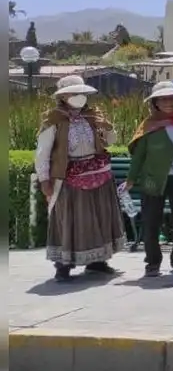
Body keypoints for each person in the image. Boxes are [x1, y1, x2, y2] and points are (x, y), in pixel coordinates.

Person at [36, 75, 125, 282]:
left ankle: (97, 261)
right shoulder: (53, 120)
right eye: (73, 93)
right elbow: (43, 152)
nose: (78, 97)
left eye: (81, 93)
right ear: (63, 96)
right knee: (69, 220)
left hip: (97, 172)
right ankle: (63, 265)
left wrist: (107, 127)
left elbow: (111, 140)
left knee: (99, 217)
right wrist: (44, 180)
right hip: (68, 177)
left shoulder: (93, 116)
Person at [125, 80, 173, 277]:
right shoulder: (148, 127)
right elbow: (138, 156)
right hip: (153, 181)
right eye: (163, 99)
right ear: (155, 102)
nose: (168, 103)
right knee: (151, 222)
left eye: (172, 98)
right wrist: (130, 180)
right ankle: (153, 262)